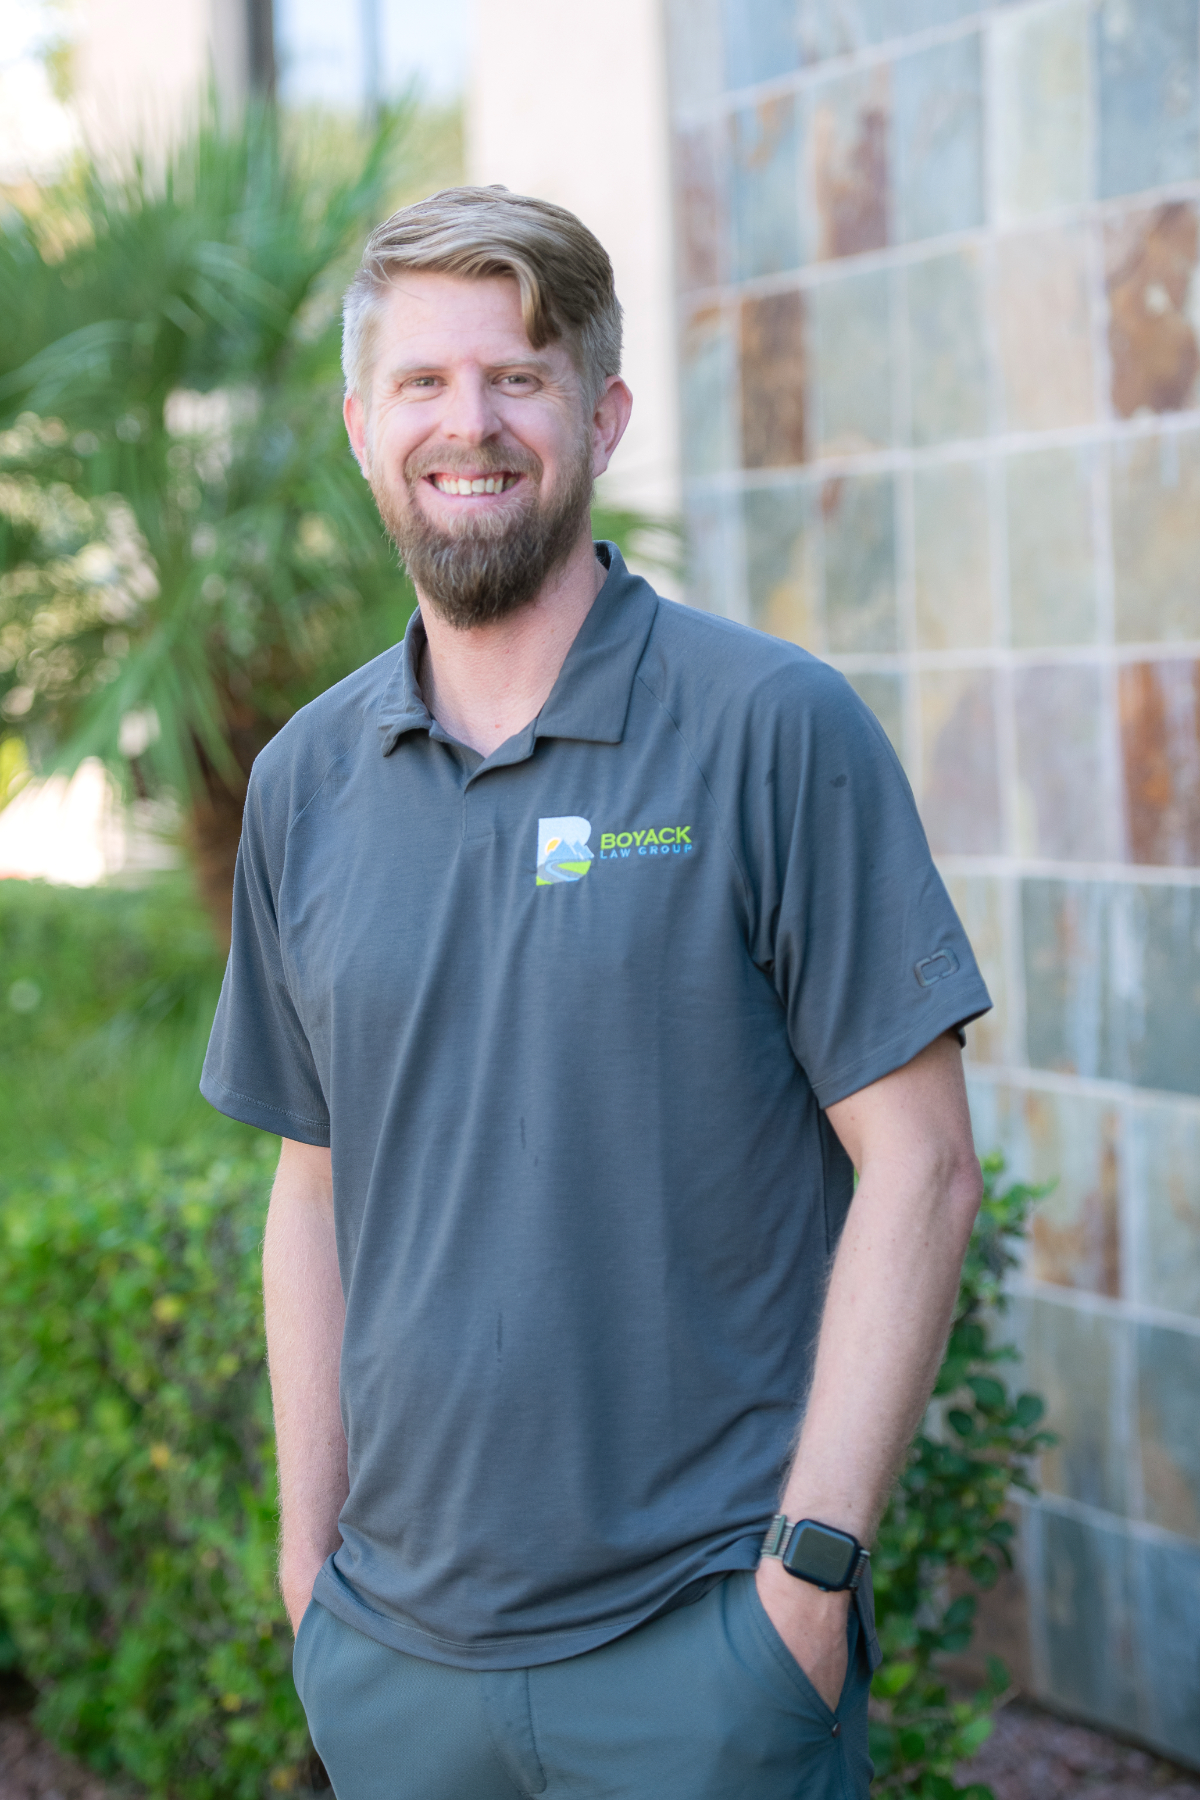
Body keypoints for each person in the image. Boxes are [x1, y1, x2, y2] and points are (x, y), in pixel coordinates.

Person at [201, 186, 992, 1800]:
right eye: (423, 383)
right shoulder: (304, 783)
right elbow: (314, 1182)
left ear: (603, 416)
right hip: (395, 1672)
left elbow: (920, 1164)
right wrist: (309, 1571)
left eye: (519, 377)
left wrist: (808, 1582)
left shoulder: (773, 730)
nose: (469, 425)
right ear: (363, 428)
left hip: (702, 1656)